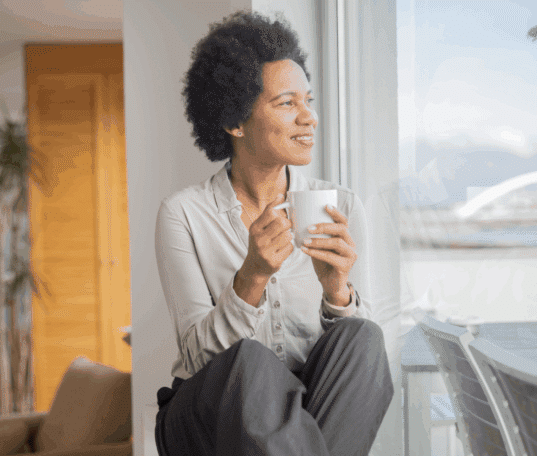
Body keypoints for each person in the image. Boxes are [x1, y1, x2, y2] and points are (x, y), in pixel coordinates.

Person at [153, 11, 394, 456]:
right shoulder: (183, 214)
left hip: (307, 405)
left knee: (364, 336)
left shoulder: (341, 206)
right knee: (250, 362)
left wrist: (337, 292)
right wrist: (252, 278)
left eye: (308, 100)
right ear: (234, 121)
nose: (310, 118)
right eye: (287, 103)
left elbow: (358, 378)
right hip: (204, 416)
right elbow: (196, 358)